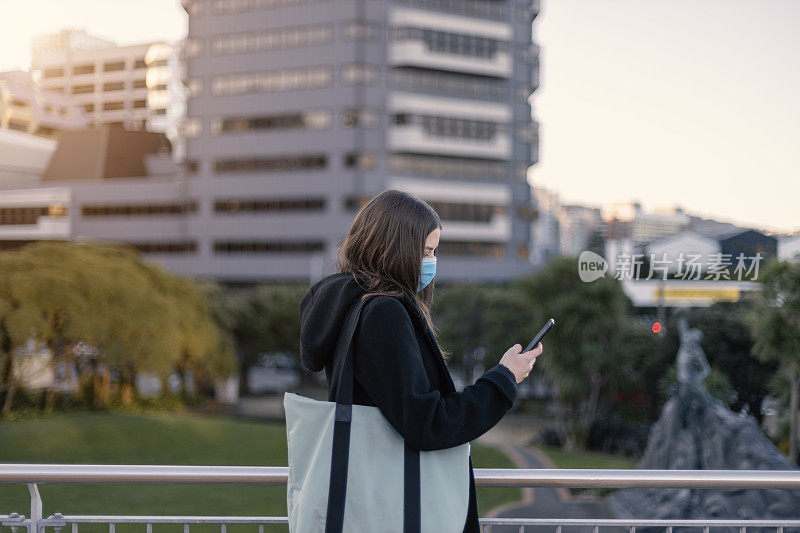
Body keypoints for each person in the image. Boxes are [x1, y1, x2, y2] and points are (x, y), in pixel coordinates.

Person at [299, 189, 543, 532]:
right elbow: (427, 423)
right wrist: (504, 378)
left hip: (372, 497)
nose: (432, 261)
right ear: (397, 247)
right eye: (427, 251)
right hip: (397, 505)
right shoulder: (383, 313)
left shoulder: (350, 306)